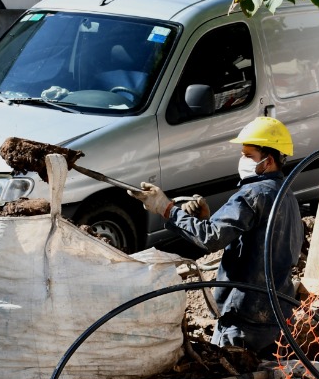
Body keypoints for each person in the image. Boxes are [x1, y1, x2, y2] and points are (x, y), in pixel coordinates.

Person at [128, 116, 303, 356]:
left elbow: (211, 238)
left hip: (243, 316)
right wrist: (205, 220)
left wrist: (166, 209)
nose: (242, 160)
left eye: (249, 155)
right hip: (276, 314)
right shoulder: (287, 196)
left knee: (232, 373)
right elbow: (254, 240)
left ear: (268, 160)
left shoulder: (252, 194)